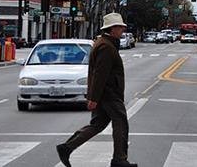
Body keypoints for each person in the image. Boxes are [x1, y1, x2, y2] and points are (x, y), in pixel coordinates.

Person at [56, 13, 137, 167]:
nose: (122, 30)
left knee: (98, 124)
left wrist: (94, 97)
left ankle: (67, 148)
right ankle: (119, 159)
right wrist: (93, 98)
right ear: (112, 29)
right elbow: (100, 74)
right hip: (109, 93)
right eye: (120, 27)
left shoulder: (105, 43)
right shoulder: (106, 46)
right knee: (120, 122)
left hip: (104, 93)